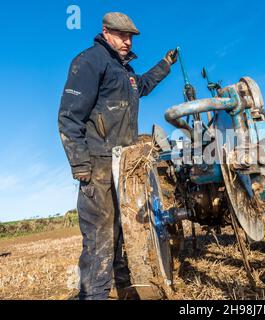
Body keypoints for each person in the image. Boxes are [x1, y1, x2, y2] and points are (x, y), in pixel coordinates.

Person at [58, 12, 178, 300]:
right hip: (98, 164)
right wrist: (81, 164)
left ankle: (124, 287)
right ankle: (93, 295)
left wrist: (165, 64)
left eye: (131, 36)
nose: (128, 41)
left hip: (124, 165)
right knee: (100, 236)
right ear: (106, 32)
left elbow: (143, 85)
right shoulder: (89, 61)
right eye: (122, 35)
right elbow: (68, 117)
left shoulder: (125, 72)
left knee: (124, 229)